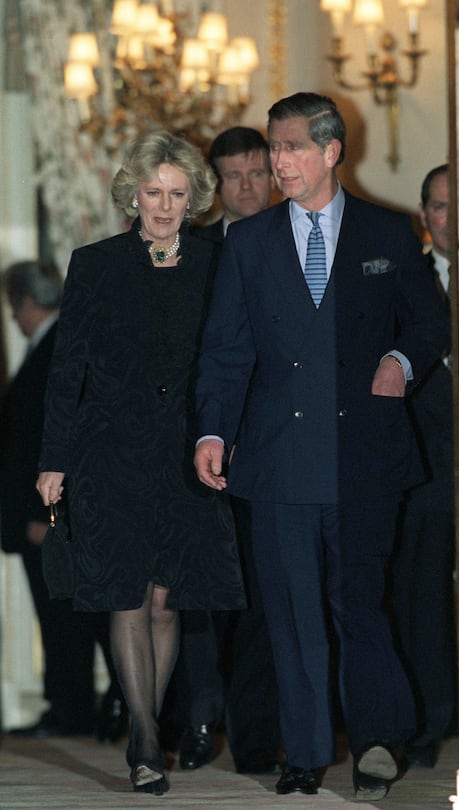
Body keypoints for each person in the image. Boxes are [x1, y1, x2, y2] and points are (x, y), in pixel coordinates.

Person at [194, 92, 449, 801]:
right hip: (276, 459)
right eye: (274, 148)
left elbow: (428, 325)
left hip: (365, 455)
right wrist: (213, 431)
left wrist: (399, 361)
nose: (278, 162)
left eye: (293, 147)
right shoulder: (247, 243)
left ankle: (373, 742)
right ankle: (304, 752)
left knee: (359, 604)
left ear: (332, 151)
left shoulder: (388, 233)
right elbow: (224, 351)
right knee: (292, 613)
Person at [35, 131, 245, 796]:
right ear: (133, 193)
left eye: (177, 194)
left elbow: (232, 360)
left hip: (187, 453)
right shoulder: (94, 264)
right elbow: (67, 369)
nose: (163, 205)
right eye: (153, 192)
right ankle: (145, 734)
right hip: (109, 452)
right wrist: (54, 460)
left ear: (195, 199)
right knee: (126, 591)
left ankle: (147, 723)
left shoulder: (217, 263)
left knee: (165, 599)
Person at [160, 127, 281, 775]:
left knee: (268, 592)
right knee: (199, 594)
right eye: (232, 176)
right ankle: (202, 717)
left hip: (275, 449)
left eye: (256, 172)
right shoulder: (191, 252)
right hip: (199, 449)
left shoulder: (303, 239)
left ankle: (259, 726)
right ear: (215, 184)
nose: (246, 187)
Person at [0, 259, 126, 741]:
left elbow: (56, 440)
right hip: (46, 514)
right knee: (71, 615)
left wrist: (47, 517)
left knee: (71, 618)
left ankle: (74, 709)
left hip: (50, 515)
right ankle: (72, 706)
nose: (14, 316)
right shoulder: (54, 345)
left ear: (27, 302)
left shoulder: (56, 349)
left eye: (15, 305)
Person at [389, 164, 458, 768]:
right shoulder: (405, 280)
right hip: (428, 464)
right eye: (439, 206)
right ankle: (429, 723)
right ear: (424, 217)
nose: (453, 217)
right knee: (423, 599)